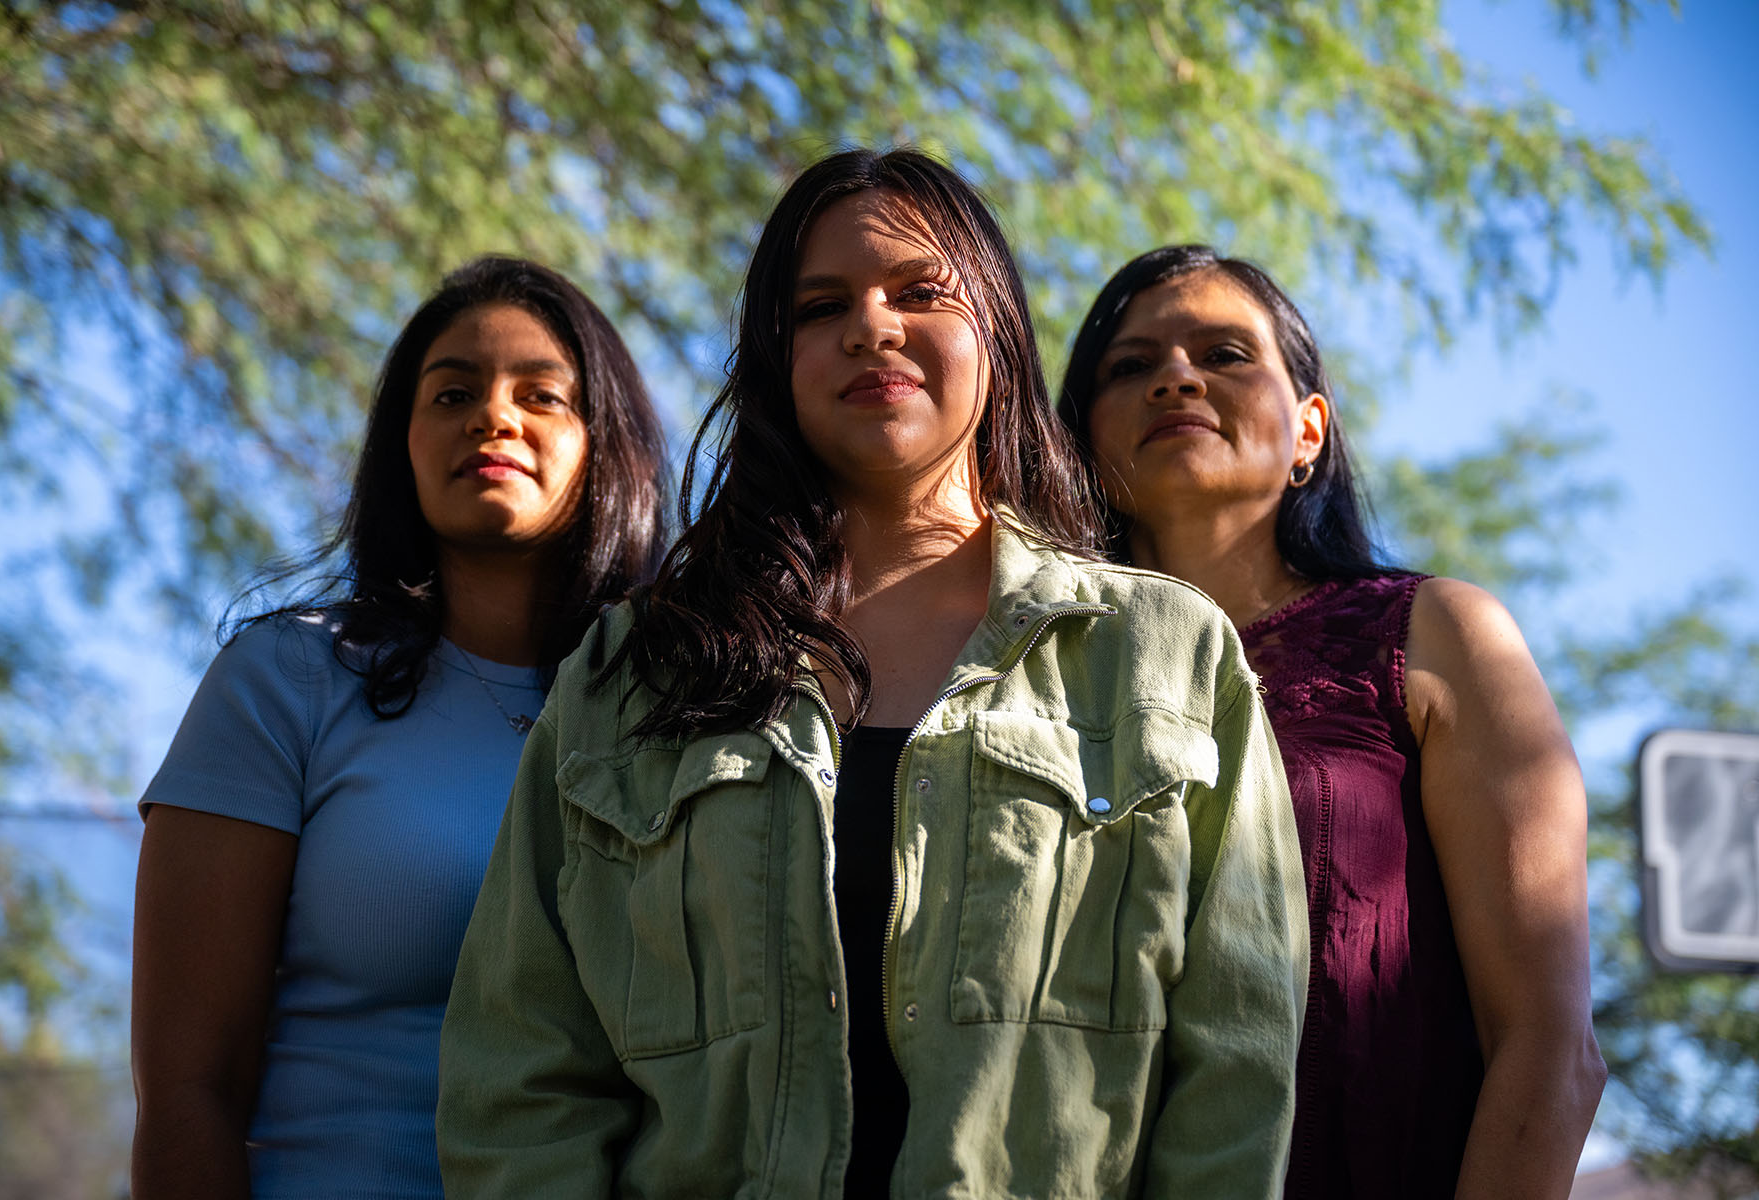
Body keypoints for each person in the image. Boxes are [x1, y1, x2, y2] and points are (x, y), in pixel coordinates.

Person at [437, 150, 1308, 1199]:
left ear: (996, 331)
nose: (872, 326)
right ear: (776, 358)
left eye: (920, 291)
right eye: (821, 305)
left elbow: (1236, 1070)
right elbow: (519, 1078)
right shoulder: (633, 668)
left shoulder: (1166, 653)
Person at [1057, 245, 1606, 1200]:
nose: (1175, 377)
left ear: (1309, 429)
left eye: (1224, 354)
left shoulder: (1436, 635)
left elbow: (1549, 1049)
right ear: (1082, 443)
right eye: (1130, 366)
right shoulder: (1028, 687)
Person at [130, 256, 670, 1199]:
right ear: (402, 446)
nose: (492, 417)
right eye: (452, 392)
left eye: (541, 395)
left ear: (608, 444)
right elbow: (188, 1093)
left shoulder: (680, 715)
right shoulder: (285, 681)